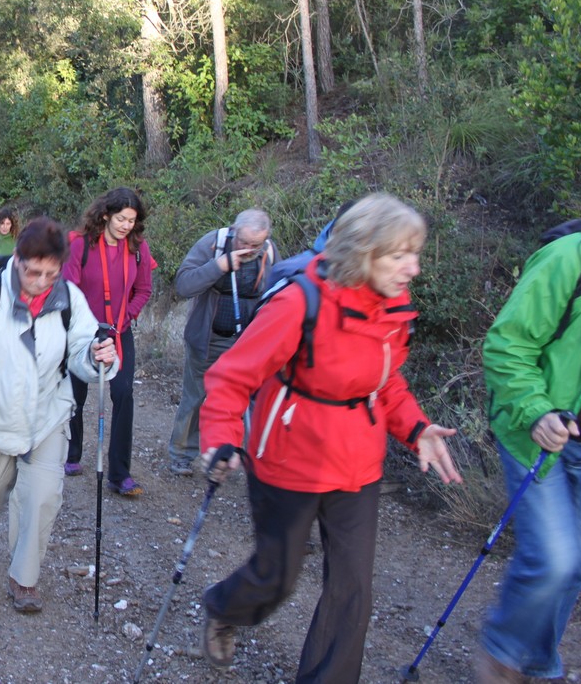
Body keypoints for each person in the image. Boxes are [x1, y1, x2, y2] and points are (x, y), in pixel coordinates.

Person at [197, 193, 462, 683]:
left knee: (352, 589)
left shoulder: (393, 305)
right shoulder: (301, 301)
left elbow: (386, 381)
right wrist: (221, 437)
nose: (414, 268)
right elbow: (233, 376)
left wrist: (417, 428)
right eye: (400, 255)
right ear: (363, 252)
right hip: (289, 458)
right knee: (277, 576)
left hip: (357, 464)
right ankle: (225, 608)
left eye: (414, 254)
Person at [0, 216, 118, 613]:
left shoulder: (68, 297)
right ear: (17, 259)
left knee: (42, 497)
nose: (41, 282)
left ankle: (24, 578)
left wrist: (97, 356)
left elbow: (83, 351)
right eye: (34, 272)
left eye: (51, 274)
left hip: (46, 418)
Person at [475, 208, 581, 684]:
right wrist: (537, 411)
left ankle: (537, 660)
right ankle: (501, 653)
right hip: (535, 431)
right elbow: (506, 344)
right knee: (554, 559)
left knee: (577, 565)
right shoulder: (571, 259)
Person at [167, 209, 279, 475]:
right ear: (234, 231)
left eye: (256, 244)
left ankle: (251, 460)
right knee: (196, 397)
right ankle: (182, 455)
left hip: (248, 344)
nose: (249, 249)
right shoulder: (213, 244)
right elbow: (184, 285)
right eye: (244, 242)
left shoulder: (270, 252)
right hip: (209, 338)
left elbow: (277, 290)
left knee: (252, 401)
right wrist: (220, 266)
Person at [62, 187, 154, 496]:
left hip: (118, 331)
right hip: (82, 332)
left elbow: (144, 289)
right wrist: (81, 326)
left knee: (123, 393)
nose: (127, 225)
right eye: (121, 219)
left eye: (131, 220)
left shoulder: (138, 248)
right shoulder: (81, 245)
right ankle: (71, 453)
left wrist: (127, 315)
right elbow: (69, 288)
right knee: (75, 393)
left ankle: (119, 473)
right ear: (105, 215)